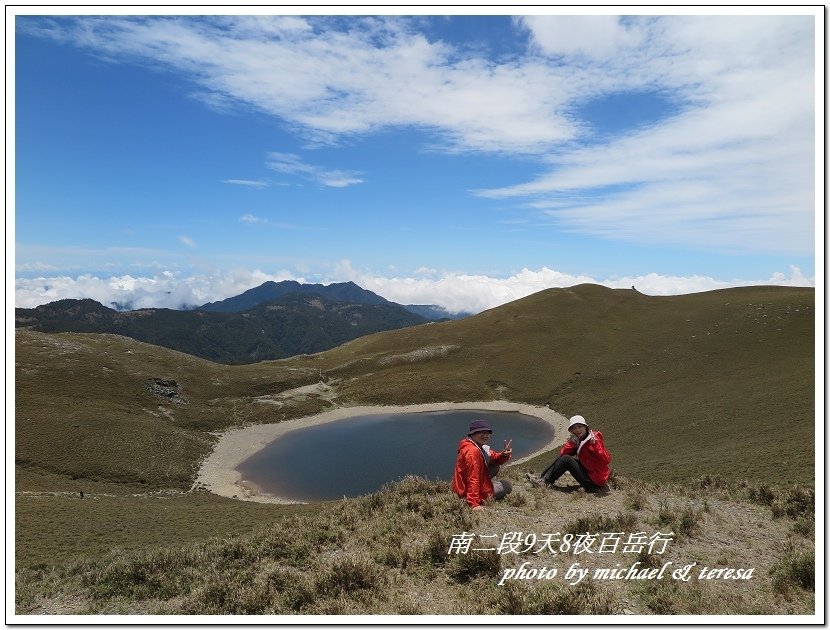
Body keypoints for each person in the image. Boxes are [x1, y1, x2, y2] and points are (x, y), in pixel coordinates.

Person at [528, 414, 611, 492]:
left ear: (585, 427)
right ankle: (543, 478)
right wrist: (573, 443)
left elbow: (606, 460)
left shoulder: (594, 439)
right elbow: (563, 453)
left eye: (580, 426)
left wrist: (595, 445)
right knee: (565, 458)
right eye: (574, 428)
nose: (577, 430)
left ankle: (545, 482)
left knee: (566, 459)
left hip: (595, 482)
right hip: (591, 475)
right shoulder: (579, 440)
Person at [452, 419, 513, 510]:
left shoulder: (478, 446)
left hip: (461, 488)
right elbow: (473, 477)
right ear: (472, 434)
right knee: (507, 485)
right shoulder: (473, 451)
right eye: (481, 433)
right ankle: (479, 495)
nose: (485, 436)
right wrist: (474, 503)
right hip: (465, 494)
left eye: (487, 433)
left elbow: (494, 458)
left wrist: (503, 455)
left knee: (495, 466)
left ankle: (483, 488)